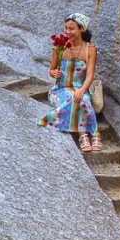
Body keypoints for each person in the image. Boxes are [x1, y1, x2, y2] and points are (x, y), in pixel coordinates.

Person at [40, 12, 102, 151]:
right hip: (60, 89)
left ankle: (92, 134)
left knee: (84, 99)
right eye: (66, 28)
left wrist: (81, 90)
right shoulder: (59, 46)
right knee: (76, 100)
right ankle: (86, 135)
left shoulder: (90, 50)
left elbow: (90, 75)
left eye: (72, 29)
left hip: (80, 87)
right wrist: (53, 72)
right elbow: (52, 69)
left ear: (81, 29)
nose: (67, 32)